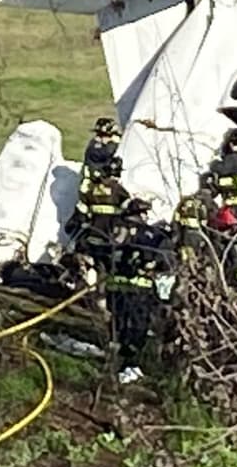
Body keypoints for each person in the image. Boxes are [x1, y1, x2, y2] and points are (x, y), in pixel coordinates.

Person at [104, 197, 174, 385]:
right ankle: (128, 365)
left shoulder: (113, 231)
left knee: (117, 328)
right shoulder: (151, 235)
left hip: (115, 288)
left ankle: (113, 364)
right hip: (139, 290)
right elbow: (166, 262)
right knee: (136, 330)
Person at [64, 156, 129, 301]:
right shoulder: (119, 190)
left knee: (89, 267)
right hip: (110, 240)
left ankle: (87, 294)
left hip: (91, 237)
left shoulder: (92, 190)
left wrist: (73, 226)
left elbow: (81, 213)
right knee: (105, 271)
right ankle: (102, 297)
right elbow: (130, 213)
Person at [81, 117, 122, 187]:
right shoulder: (95, 147)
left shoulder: (117, 145)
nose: (100, 138)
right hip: (97, 182)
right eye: (100, 135)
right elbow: (92, 165)